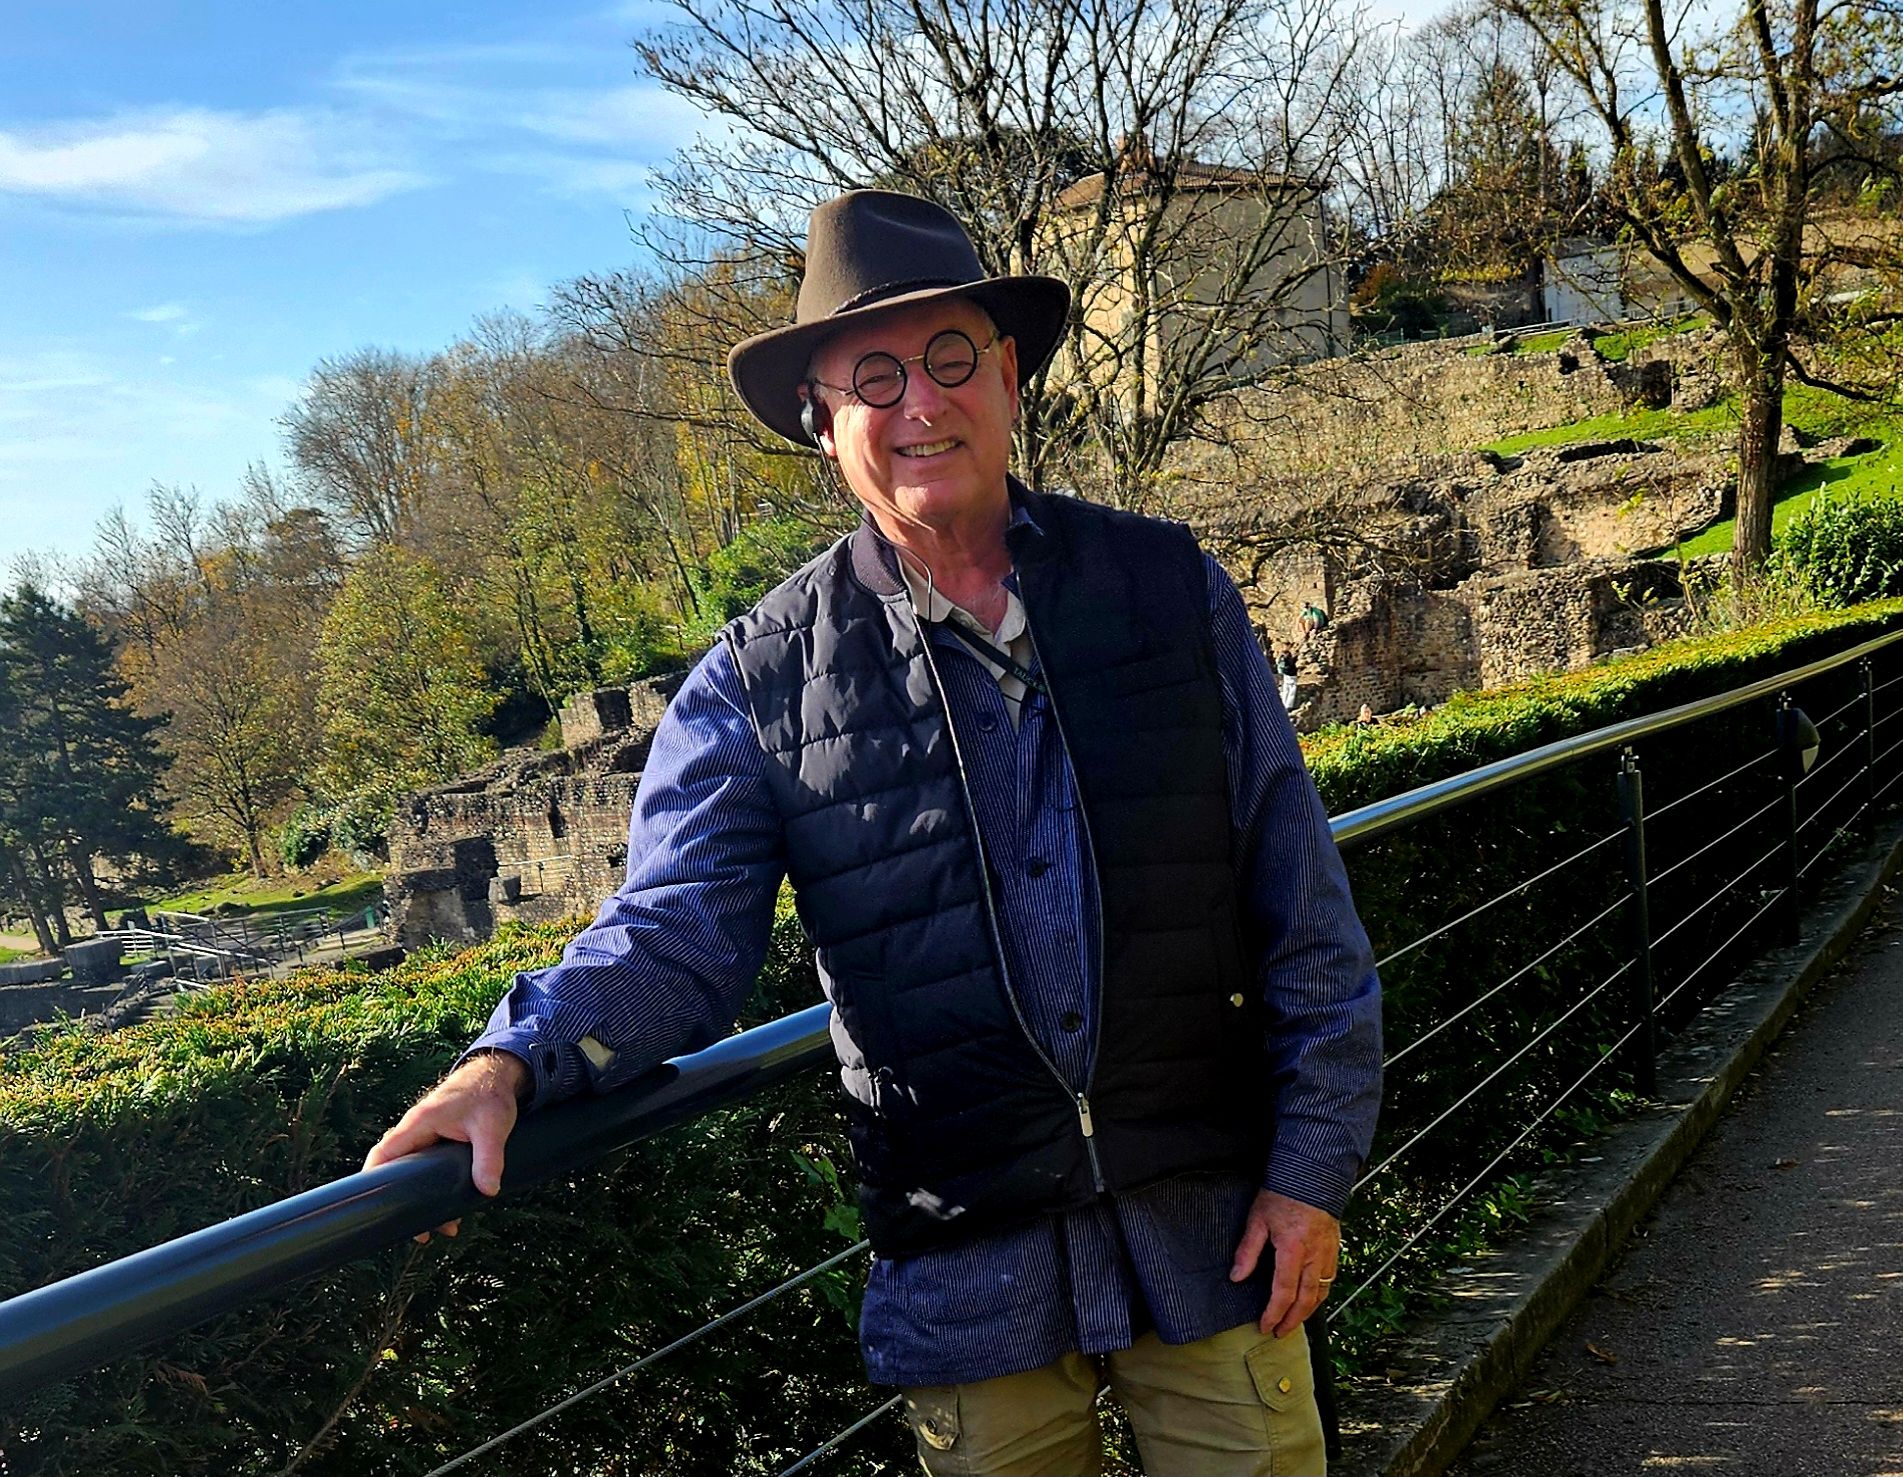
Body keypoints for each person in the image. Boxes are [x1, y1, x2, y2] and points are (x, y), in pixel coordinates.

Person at [365, 190, 1382, 1477]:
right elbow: (677, 932)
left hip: (1213, 1232)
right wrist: (514, 1056)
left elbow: (1302, 902)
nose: (921, 404)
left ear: (1008, 375)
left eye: (953, 358)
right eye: (875, 377)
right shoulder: (757, 680)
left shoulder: (1169, 590)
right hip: (971, 1277)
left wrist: (1310, 1169)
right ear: (823, 424)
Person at [1276, 647, 1300, 711]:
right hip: (1291, 676)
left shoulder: (1280, 659)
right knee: (1292, 690)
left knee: (1285, 690)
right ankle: (1288, 705)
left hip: (1285, 675)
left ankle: (1283, 704)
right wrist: (1297, 655)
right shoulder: (1287, 660)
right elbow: (1292, 663)